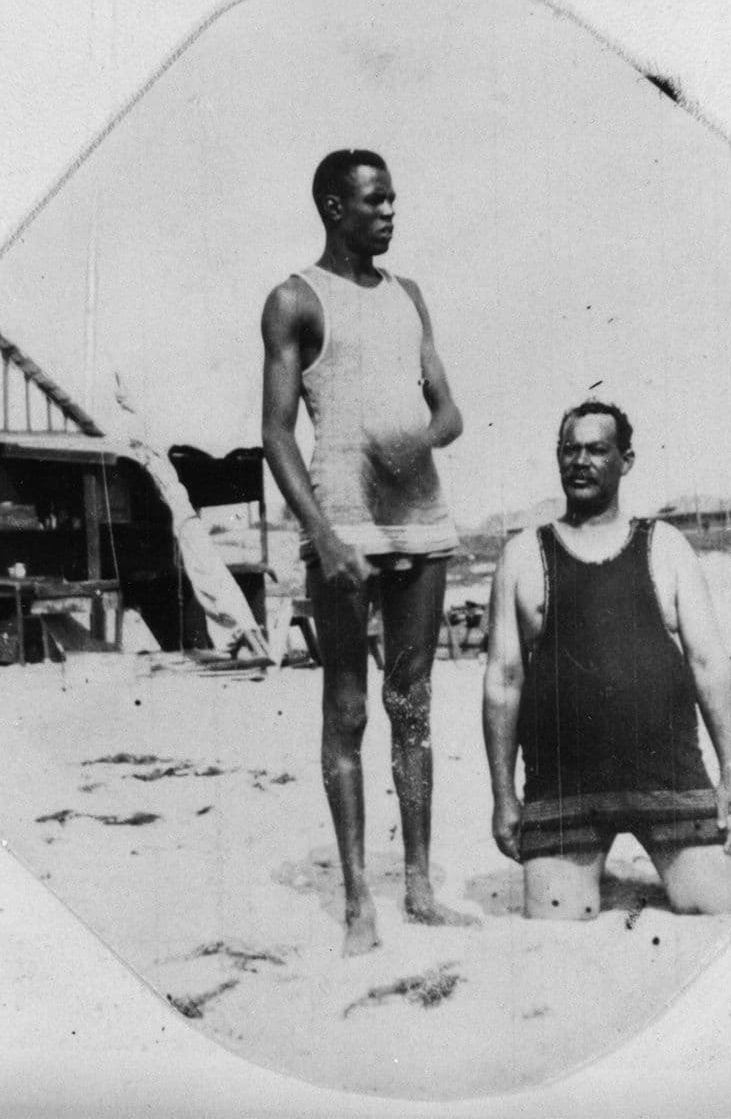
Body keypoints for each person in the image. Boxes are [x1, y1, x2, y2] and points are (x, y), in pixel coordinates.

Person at [260, 149, 478, 955]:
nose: (390, 212)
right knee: (347, 708)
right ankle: (359, 903)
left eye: (394, 199)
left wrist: (418, 441)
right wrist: (321, 533)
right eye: (374, 200)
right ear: (332, 206)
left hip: (419, 519)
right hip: (343, 525)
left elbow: (450, 412)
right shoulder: (294, 300)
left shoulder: (409, 296)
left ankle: (418, 887)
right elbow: (274, 432)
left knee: (412, 705)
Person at [482, 400, 731, 920]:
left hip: (666, 774)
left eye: (597, 450)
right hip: (565, 782)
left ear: (625, 460)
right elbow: (503, 682)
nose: (580, 461)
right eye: (570, 449)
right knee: (561, 914)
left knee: (715, 901)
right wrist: (503, 796)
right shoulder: (521, 555)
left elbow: (709, 665)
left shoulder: (665, 546)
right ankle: (582, 863)